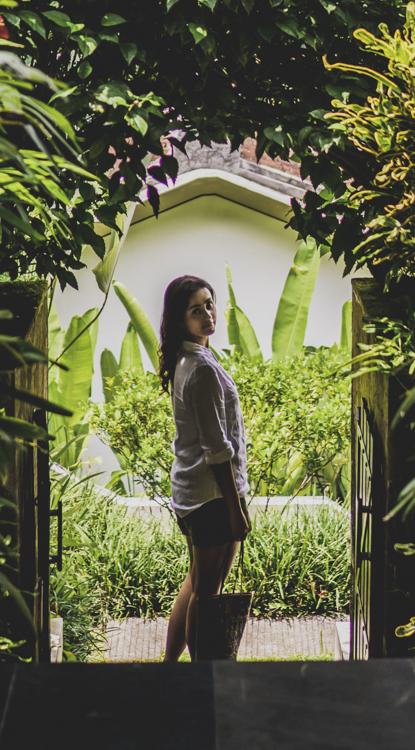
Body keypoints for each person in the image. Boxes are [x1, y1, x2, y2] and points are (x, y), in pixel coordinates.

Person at [161, 275, 251, 663]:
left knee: (197, 585)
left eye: (209, 304)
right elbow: (218, 450)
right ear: (182, 319)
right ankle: (202, 675)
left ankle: (168, 668)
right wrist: (235, 509)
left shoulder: (189, 358)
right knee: (207, 593)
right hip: (212, 498)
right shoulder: (200, 370)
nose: (208, 314)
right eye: (196, 310)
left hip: (193, 494)